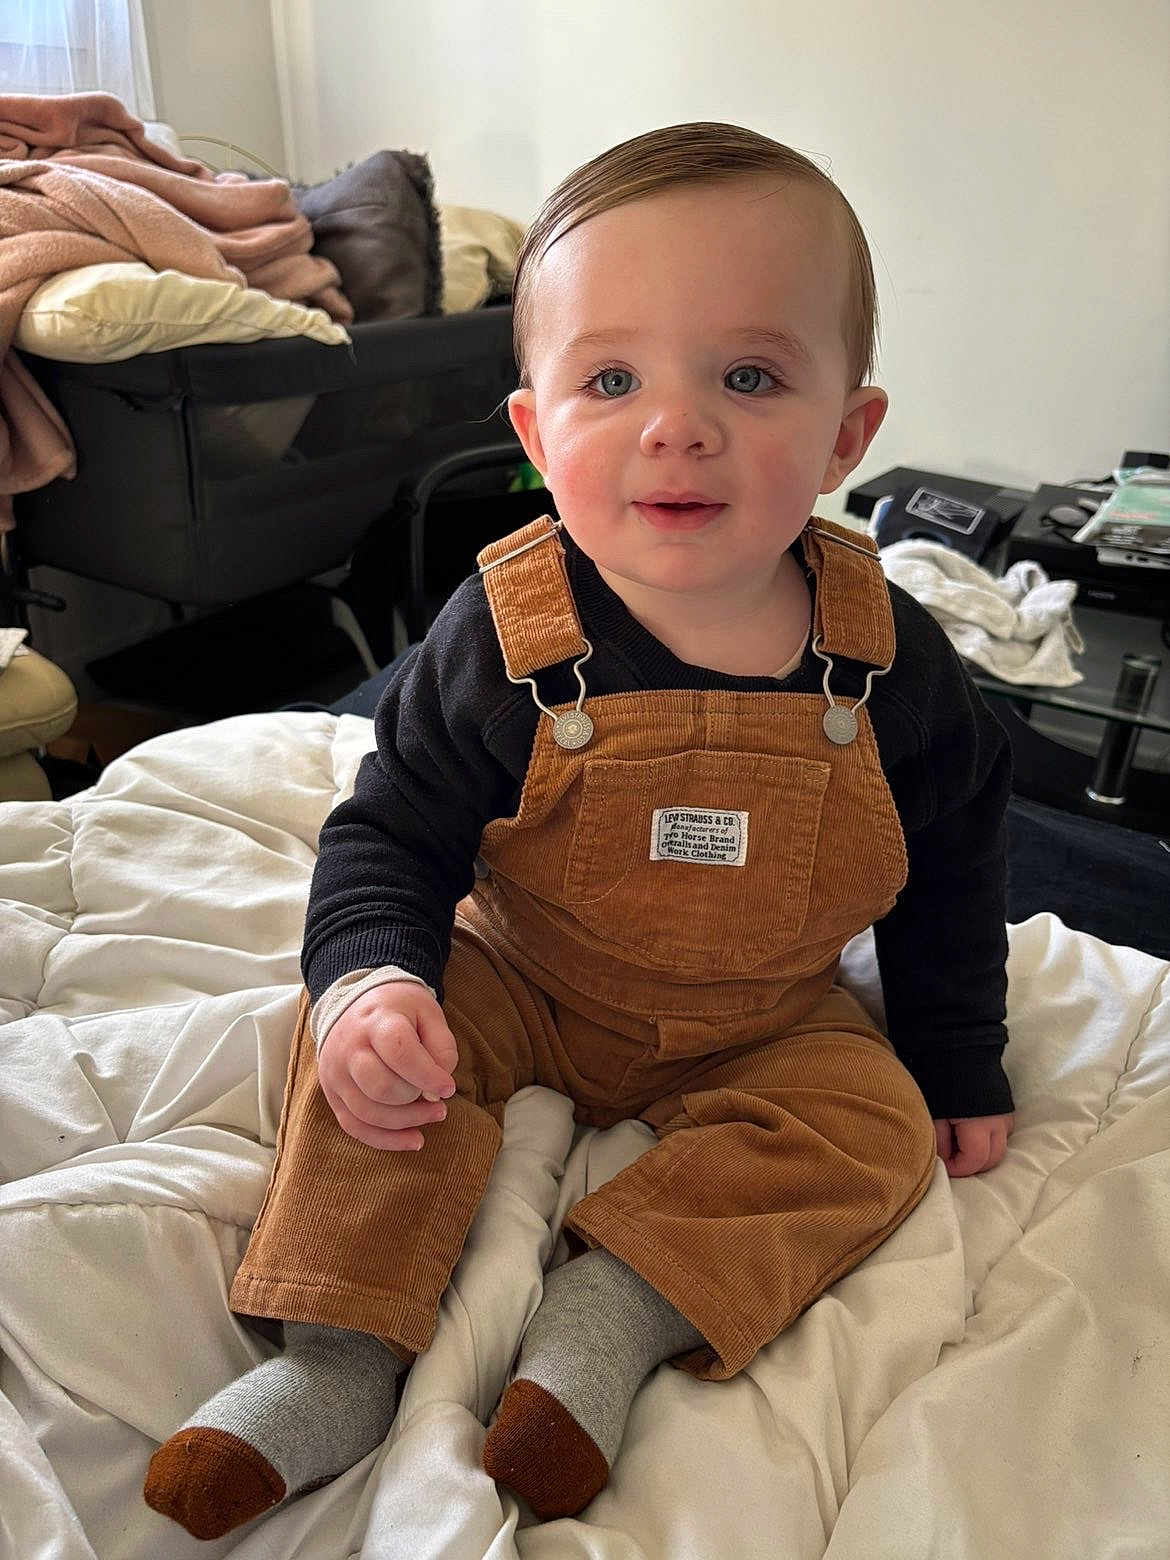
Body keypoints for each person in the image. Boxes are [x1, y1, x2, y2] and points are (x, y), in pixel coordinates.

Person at [144, 120, 1015, 1540]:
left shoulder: (890, 657)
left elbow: (955, 860)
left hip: (764, 1010)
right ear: (540, 435)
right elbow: (390, 836)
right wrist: (375, 980)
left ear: (848, 432)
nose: (676, 426)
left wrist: (956, 1052)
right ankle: (339, 1357)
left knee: (874, 1129)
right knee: (357, 1055)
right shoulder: (501, 632)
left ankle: (615, 1311)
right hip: (525, 972)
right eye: (610, 378)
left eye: (747, 374)